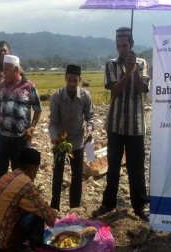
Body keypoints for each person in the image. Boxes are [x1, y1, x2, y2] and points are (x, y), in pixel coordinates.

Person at [92, 27, 150, 221]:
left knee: (136, 167)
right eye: (118, 46)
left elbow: (142, 89)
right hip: (115, 125)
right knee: (113, 166)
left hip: (135, 125)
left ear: (131, 44)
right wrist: (126, 73)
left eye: (124, 45)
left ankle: (140, 205)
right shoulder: (111, 65)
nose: (121, 49)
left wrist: (134, 71)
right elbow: (114, 91)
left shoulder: (141, 63)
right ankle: (108, 203)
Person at [0, 147, 57, 251]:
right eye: (36, 170)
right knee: (37, 214)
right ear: (32, 168)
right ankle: (35, 248)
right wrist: (54, 215)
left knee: (28, 209)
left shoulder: (9, 176)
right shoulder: (26, 184)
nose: (36, 174)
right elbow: (50, 218)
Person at [0, 55, 42, 191]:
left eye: (7, 69)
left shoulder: (29, 87)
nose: (4, 73)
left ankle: (19, 202)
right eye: (3, 69)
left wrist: (32, 128)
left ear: (17, 69)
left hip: (21, 138)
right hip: (2, 137)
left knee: (20, 174)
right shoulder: (1, 86)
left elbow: (38, 109)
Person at [49, 64, 94, 211]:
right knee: (58, 173)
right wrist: (54, 137)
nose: (72, 84)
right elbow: (53, 122)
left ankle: (75, 206)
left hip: (78, 141)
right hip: (61, 141)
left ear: (80, 79)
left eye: (75, 80)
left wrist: (90, 130)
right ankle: (54, 207)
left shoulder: (85, 96)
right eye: (70, 80)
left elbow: (90, 117)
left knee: (77, 175)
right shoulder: (57, 96)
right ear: (65, 79)